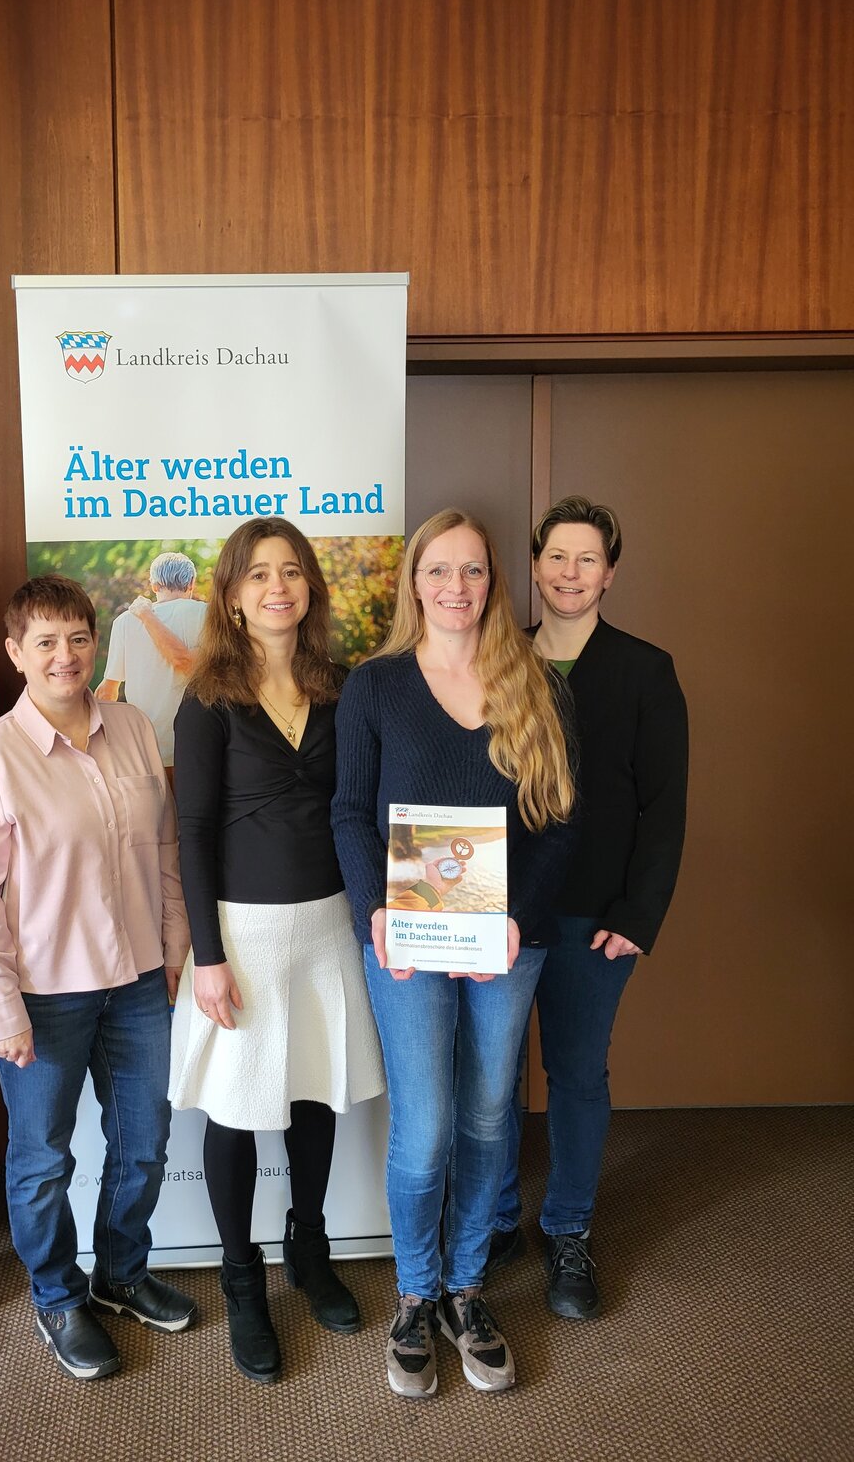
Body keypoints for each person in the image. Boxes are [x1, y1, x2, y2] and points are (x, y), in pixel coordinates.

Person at [332, 507, 576, 1400]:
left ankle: (467, 1290)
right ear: (414, 582)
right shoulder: (376, 686)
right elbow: (349, 813)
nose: (457, 588)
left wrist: (516, 917)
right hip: (408, 938)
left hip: (509, 940)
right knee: (427, 1124)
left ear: (493, 583)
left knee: (485, 1117)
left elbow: (560, 824)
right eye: (439, 571)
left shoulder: (534, 681)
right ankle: (414, 1291)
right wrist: (376, 916)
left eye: (473, 572)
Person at [0, 574, 198, 1383]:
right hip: (41, 996)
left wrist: (173, 945)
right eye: (45, 643)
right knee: (42, 1160)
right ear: (17, 653)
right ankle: (58, 1297)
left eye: (79, 638)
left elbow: (163, 850)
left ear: (98, 643)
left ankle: (120, 1275)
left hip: (135, 982)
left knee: (144, 1147)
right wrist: (0, 1009)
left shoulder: (131, 727)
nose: (66, 656)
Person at [170, 517, 385, 1384]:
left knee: (313, 1098)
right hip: (244, 936)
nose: (277, 588)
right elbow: (190, 835)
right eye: (258, 575)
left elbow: (363, 806)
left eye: (292, 572)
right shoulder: (207, 699)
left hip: (329, 923)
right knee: (235, 1110)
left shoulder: (343, 689)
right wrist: (208, 955)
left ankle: (309, 1248)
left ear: (310, 590)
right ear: (230, 594)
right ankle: (241, 1277)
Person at [489, 496, 688, 1318]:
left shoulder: (646, 670)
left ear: (610, 572)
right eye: (556, 557)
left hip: (595, 917)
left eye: (587, 559)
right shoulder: (500, 664)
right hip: (497, 910)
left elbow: (665, 808)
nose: (569, 573)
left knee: (575, 1073)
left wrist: (638, 917)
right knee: (491, 1079)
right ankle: (495, 1219)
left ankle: (568, 1229)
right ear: (535, 567)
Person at [97, 551, 207, 771]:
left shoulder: (124, 622)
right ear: (192, 583)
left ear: (154, 585)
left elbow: (107, 693)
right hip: (200, 747)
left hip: (144, 749)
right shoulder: (208, 614)